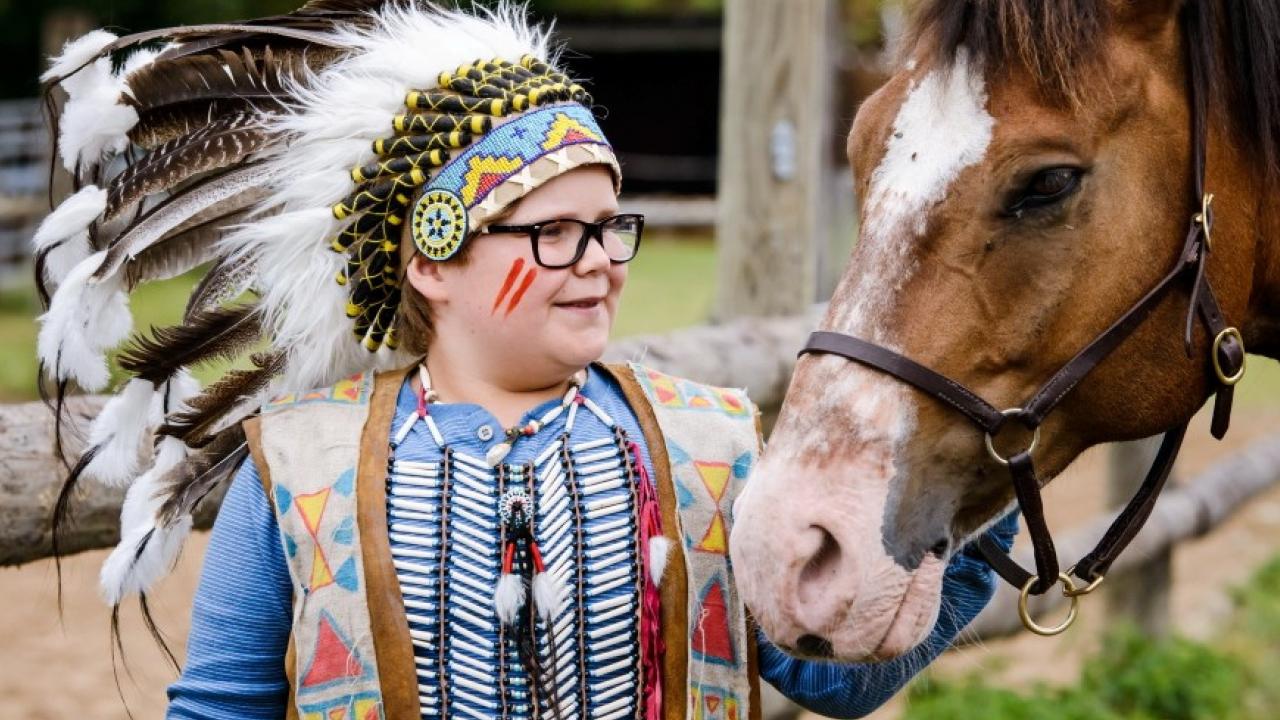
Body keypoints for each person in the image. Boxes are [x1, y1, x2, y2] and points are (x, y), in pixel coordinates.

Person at [35, 2, 1018, 719]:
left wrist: (973, 491)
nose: (596, 263)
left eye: (606, 229)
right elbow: (220, 710)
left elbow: (822, 680)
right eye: (550, 234)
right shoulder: (293, 471)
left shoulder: (708, 448)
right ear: (431, 261)